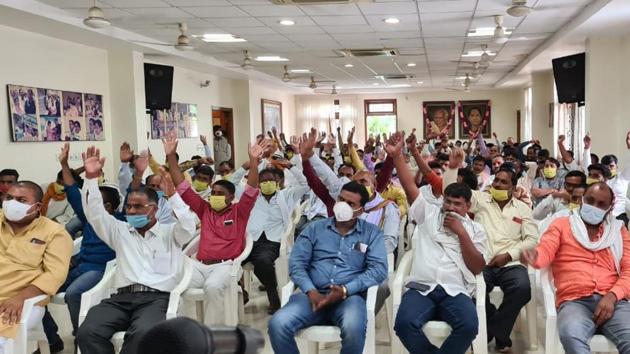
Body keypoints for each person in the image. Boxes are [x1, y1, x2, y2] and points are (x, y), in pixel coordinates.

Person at [76, 146, 197, 354]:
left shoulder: (170, 233)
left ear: (153, 209)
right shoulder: (119, 231)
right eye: (129, 206)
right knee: (88, 332)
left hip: (156, 299)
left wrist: (173, 196)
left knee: (143, 334)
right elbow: (94, 212)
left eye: (138, 207)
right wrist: (91, 178)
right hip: (120, 299)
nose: (131, 211)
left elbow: (188, 226)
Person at [386, 131, 487, 354]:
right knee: (403, 324)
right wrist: (397, 156)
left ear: (467, 207)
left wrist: (461, 233)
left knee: (469, 326)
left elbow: (478, 267)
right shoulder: (429, 215)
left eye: (457, 204)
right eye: (447, 202)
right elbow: (410, 188)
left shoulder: (475, 230)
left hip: (455, 289)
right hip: (422, 287)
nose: (450, 207)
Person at [268, 181, 388, 354]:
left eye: (350, 204)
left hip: (349, 298)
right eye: (341, 199)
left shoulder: (371, 233)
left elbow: (378, 270)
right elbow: (297, 264)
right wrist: (310, 291)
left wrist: (346, 290)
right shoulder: (314, 228)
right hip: (312, 296)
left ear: (360, 210)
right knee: (277, 324)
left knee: (353, 327)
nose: (342, 206)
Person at [165, 136, 269, 325]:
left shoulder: (240, 211)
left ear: (231, 198)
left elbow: (252, 188)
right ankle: (182, 331)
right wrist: (171, 156)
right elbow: (181, 186)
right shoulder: (204, 208)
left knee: (212, 288)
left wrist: (254, 163)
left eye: (220, 194)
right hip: (199, 265)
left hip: (225, 266)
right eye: (213, 193)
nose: (214, 196)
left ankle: (212, 334)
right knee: (173, 283)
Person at [521, 182, 630, 354]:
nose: (594, 207)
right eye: (590, 200)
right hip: (574, 301)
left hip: (614, 302)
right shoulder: (561, 224)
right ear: (582, 200)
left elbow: (628, 272)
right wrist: (535, 256)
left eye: (601, 204)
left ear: (610, 208)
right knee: (571, 336)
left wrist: (612, 296)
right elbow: (546, 250)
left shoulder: (618, 231)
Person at [41, 143, 119, 353]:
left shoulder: (120, 222)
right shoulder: (88, 217)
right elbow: (71, 189)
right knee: (37, 289)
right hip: (80, 265)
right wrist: (65, 164)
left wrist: (136, 173)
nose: (89, 205)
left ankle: (81, 336)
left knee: (73, 294)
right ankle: (51, 336)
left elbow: (132, 190)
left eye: (95, 202)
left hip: (100, 269)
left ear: (109, 207)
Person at [0, 181, 72, 354]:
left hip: (20, 302)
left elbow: (55, 275)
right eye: (9, 198)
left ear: (37, 206)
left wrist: (21, 298)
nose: (12, 203)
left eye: (21, 200)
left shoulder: (54, 233)